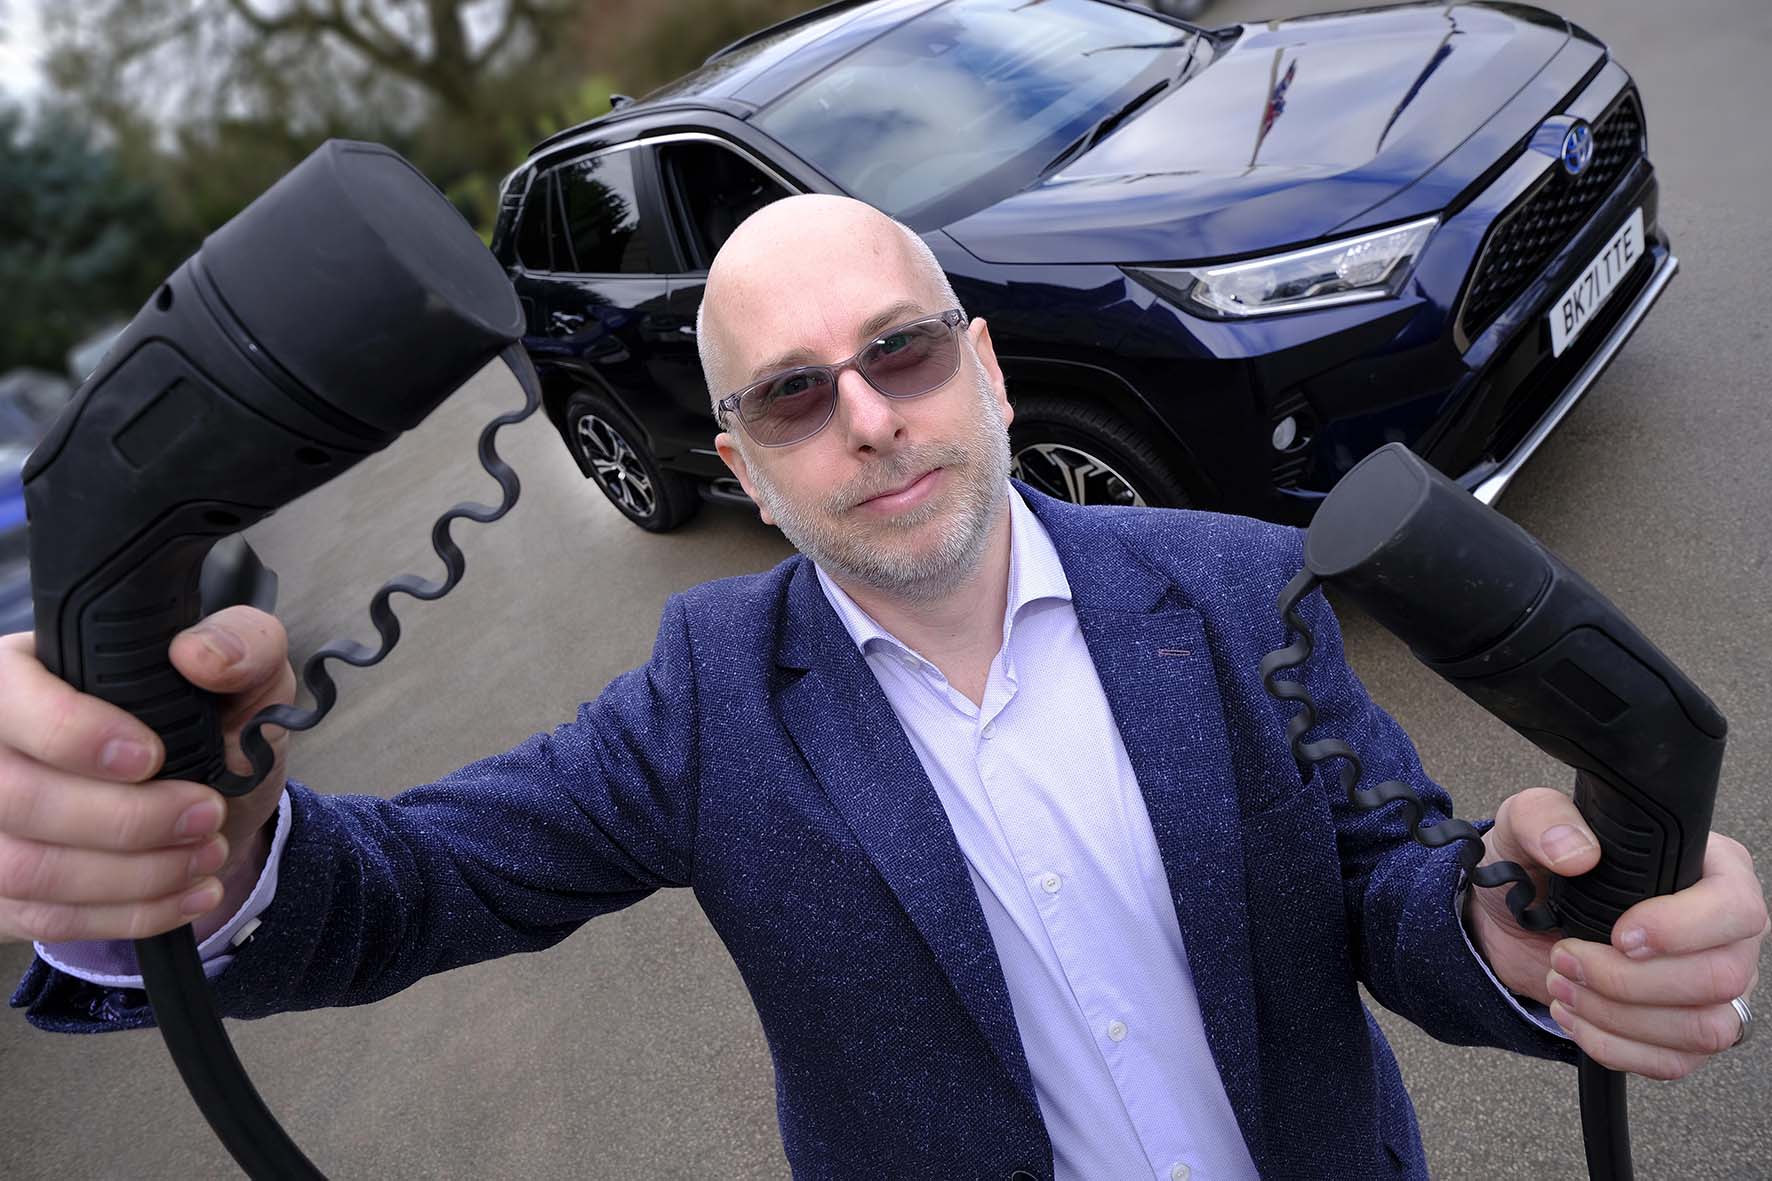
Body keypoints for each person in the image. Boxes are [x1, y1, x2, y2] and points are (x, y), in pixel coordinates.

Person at [4, 195, 1764, 1179]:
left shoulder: (1240, 585)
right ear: (746, 470)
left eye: (903, 350)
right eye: (789, 396)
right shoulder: (704, 693)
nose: (865, 412)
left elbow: (1395, 880)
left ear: (983, 370)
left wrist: (1524, 930)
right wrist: (199, 845)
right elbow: (416, 887)